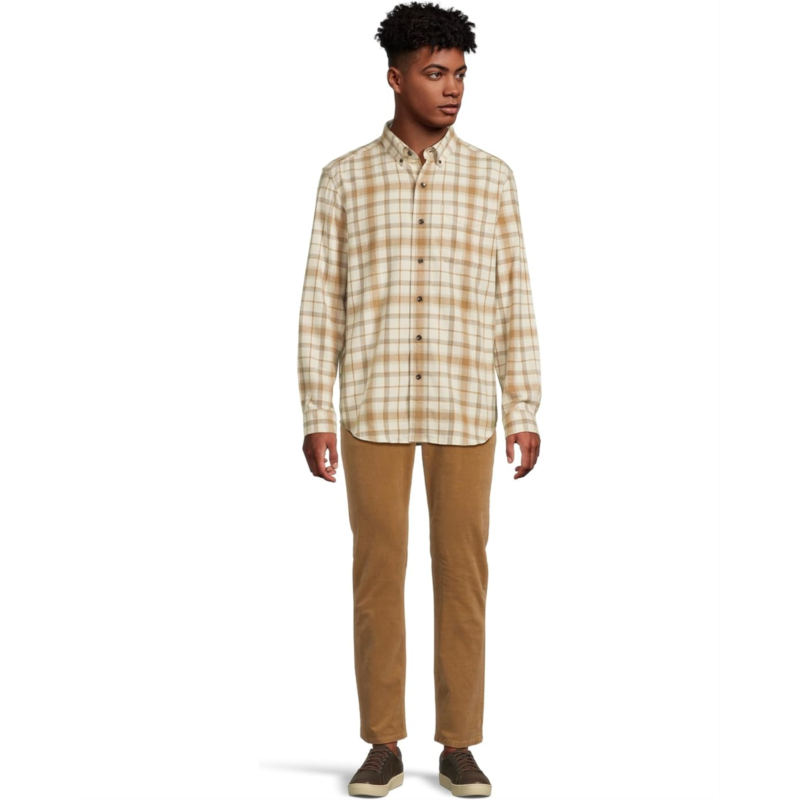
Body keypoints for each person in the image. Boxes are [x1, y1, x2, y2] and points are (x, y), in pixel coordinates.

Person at [296, 2, 542, 795]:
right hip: (372, 406)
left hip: (467, 408)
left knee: (463, 577)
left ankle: (459, 743)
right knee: (377, 579)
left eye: (460, 74)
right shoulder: (344, 178)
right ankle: (383, 743)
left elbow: (514, 301)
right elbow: (320, 303)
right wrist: (316, 413)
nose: (452, 89)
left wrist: (525, 407)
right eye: (436, 74)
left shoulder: (493, 178)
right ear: (396, 79)